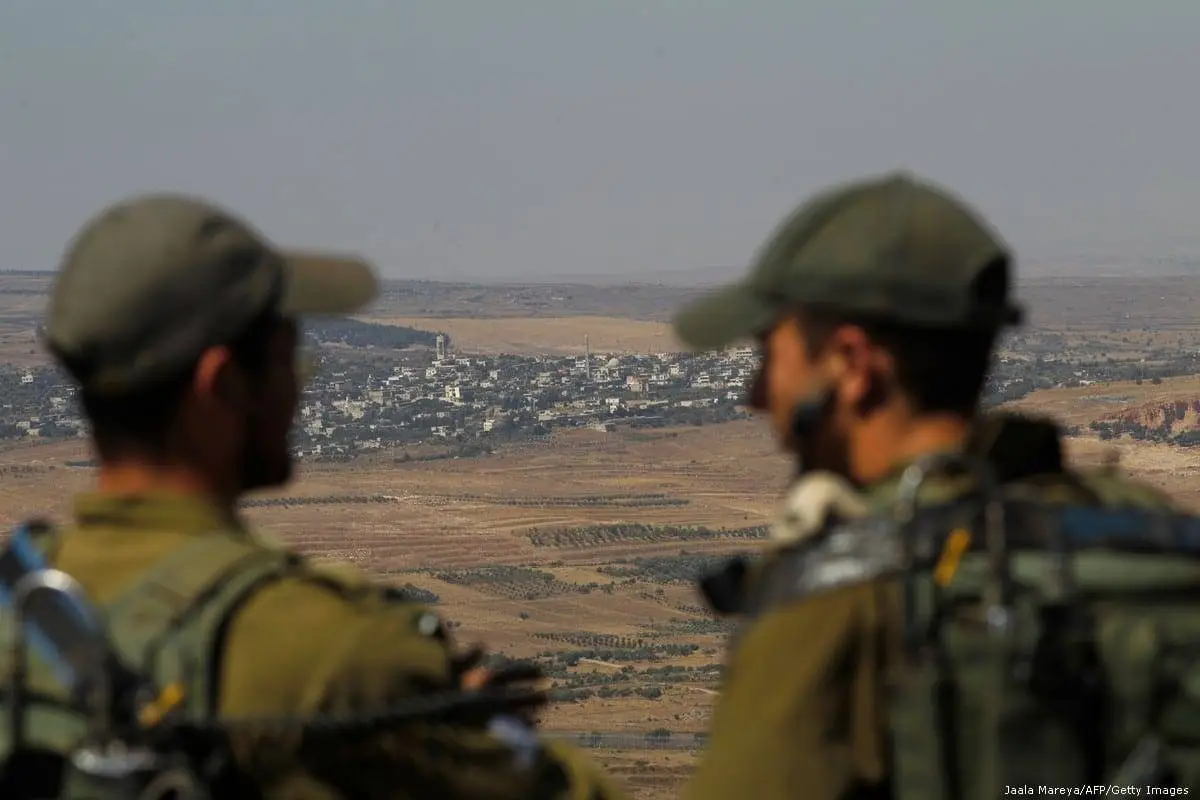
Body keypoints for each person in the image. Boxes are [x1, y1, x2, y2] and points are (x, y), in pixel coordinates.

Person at [7, 194, 625, 799]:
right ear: (220, 385)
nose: (299, 386)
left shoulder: (18, 605)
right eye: (286, 360)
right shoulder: (337, 654)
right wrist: (482, 721)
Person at [672, 172, 1199, 798]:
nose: (756, 396)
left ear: (852, 364)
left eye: (770, 358)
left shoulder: (836, 597)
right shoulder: (1149, 534)